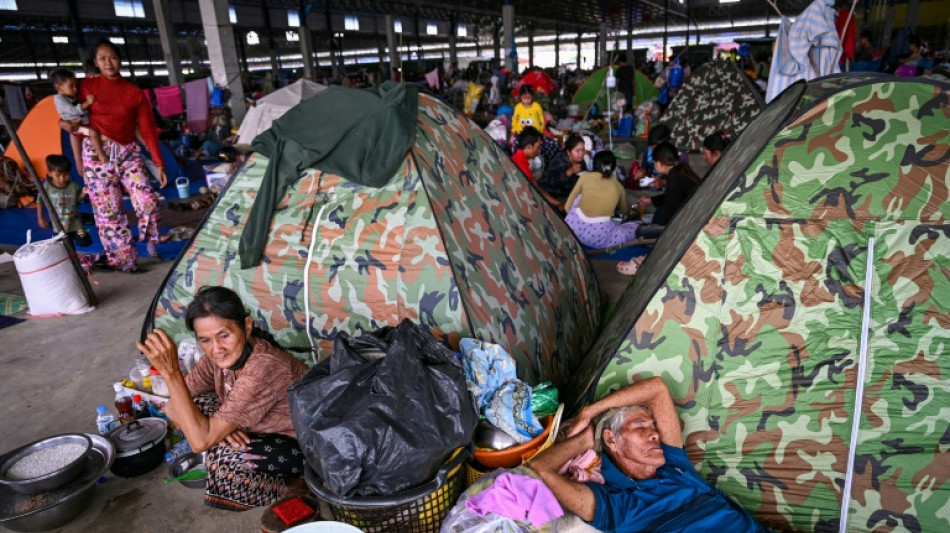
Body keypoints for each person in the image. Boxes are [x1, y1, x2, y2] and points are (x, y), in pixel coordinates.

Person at [137, 286, 310, 511]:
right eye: (205, 340)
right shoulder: (216, 359)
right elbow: (171, 407)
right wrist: (218, 431)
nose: (216, 348)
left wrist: (171, 373)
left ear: (247, 327)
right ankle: (221, 431)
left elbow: (199, 444)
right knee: (194, 407)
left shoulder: (264, 368)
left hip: (303, 447)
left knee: (224, 461)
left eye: (224, 335)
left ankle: (295, 486)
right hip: (260, 426)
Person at [528, 377, 768, 532]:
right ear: (612, 439)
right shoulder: (614, 504)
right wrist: (584, 440)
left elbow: (657, 389)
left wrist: (590, 411)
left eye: (654, 426)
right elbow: (540, 468)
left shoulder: (676, 467)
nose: (655, 434)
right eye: (641, 426)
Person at [65, 39, 167, 273]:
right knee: (108, 211)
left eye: (112, 57)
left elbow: (147, 130)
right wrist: (78, 163)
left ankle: (151, 241)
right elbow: (70, 123)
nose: (108, 62)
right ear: (95, 63)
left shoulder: (134, 93)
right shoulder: (85, 87)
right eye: (102, 58)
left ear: (119, 60)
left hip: (128, 151)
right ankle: (126, 260)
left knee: (147, 200)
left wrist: (159, 163)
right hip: (95, 153)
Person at [563, 151, 639, 249]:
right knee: (634, 228)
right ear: (613, 167)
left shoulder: (585, 177)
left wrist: (579, 221)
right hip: (597, 238)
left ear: (594, 165)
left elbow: (567, 207)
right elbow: (624, 211)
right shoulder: (618, 186)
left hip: (571, 230)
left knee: (579, 197)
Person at [50, 68, 107, 176]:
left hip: (82, 126)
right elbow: (74, 111)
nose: (75, 88)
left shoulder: (70, 94)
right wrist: (87, 103)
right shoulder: (60, 99)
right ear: (59, 87)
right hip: (78, 127)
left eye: (76, 85)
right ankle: (101, 154)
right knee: (93, 133)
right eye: (71, 86)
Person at [634, 141, 702, 231]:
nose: (654, 165)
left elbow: (671, 215)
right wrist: (650, 200)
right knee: (660, 211)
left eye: (654, 162)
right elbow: (670, 196)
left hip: (687, 224)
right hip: (693, 216)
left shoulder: (675, 179)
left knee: (641, 230)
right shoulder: (681, 170)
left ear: (660, 163)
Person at [35, 155, 91, 247]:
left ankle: (82, 218)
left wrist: (83, 193)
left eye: (66, 175)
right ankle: (73, 259)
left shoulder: (73, 186)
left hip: (76, 223)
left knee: (84, 241)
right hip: (59, 226)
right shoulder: (46, 187)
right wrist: (40, 218)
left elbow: (76, 201)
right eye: (58, 175)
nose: (62, 178)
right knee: (67, 247)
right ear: (49, 173)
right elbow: (39, 202)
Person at [539, 134, 586, 202]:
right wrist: (570, 171)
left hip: (571, 196)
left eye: (583, 150)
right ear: (568, 152)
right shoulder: (559, 162)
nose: (581, 154)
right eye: (577, 151)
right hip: (555, 197)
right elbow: (552, 184)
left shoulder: (581, 162)